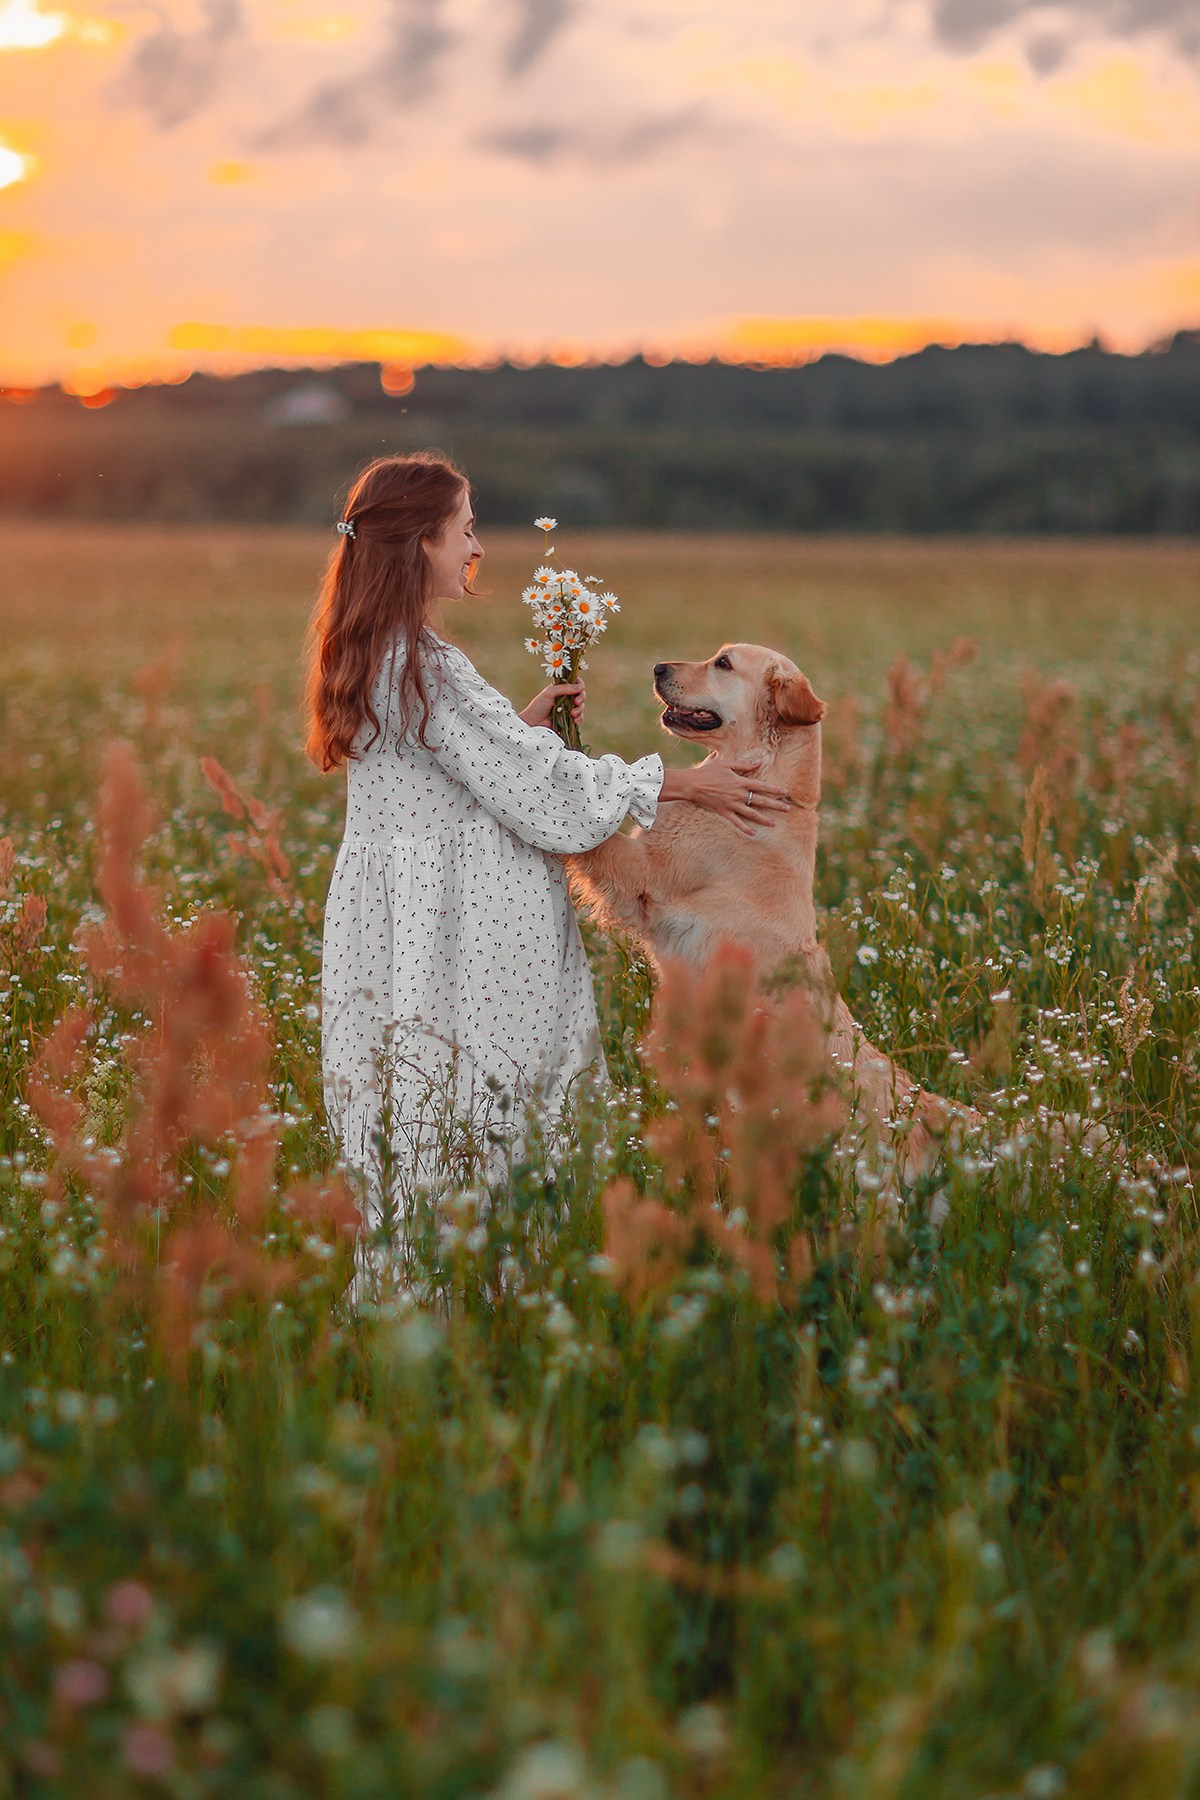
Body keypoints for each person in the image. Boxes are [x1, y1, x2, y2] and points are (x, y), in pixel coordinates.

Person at [306, 452, 792, 1257]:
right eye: (466, 528)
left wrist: (518, 729)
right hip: (460, 924)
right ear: (421, 541)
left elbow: (457, 767)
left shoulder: (369, 650)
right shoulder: (423, 665)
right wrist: (679, 784)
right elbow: (544, 796)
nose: (478, 548)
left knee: (417, 1099)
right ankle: (492, 1287)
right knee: (488, 1098)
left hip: (395, 917)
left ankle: (422, 1283)